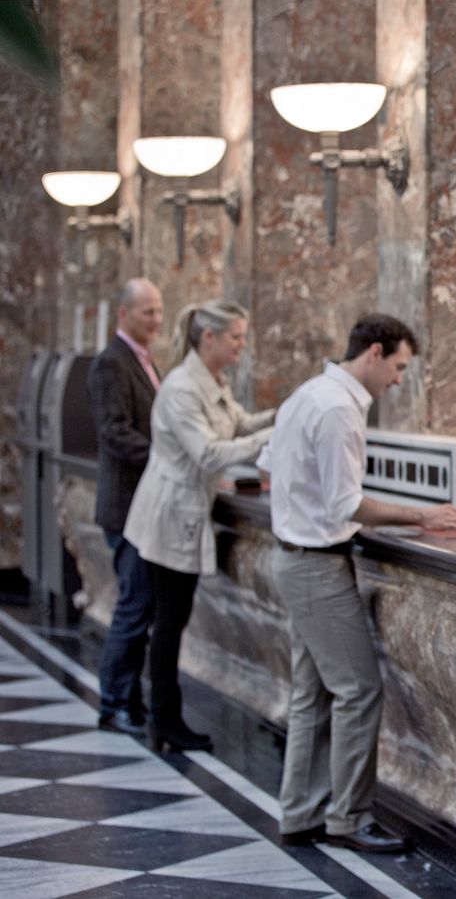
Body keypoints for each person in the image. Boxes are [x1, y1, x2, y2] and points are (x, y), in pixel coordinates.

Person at [260, 314, 456, 853]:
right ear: (374, 353)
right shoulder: (337, 408)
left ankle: (300, 812)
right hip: (315, 565)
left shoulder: (309, 394)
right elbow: (346, 504)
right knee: (357, 689)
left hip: (293, 557)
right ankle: (347, 819)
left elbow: (268, 468)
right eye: (398, 367)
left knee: (312, 693)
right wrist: (423, 517)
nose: (399, 379)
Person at [123, 300, 275, 753]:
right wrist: (268, 437)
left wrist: (279, 416)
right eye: (236, 338)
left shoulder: (211, 380)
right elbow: (208, 452)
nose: (241, 347)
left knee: (173, 618)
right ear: (208, 337)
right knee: (168, 621)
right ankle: (165, 721)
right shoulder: (181, 388)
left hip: (184, 509)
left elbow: (237, 423)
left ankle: (161, 717)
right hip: (170, 514)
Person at [87, 278, 164, 737]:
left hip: (145, 505)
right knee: (133, 606)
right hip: (127, 506)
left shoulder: (143, 359)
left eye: (158, 311)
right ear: (123, 314)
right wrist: (166, 458)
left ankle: (130, 700)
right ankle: (114, 703)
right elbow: (115, 433)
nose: (155, 320)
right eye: (146, 312)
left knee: (141, 605)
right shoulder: (110, 364)